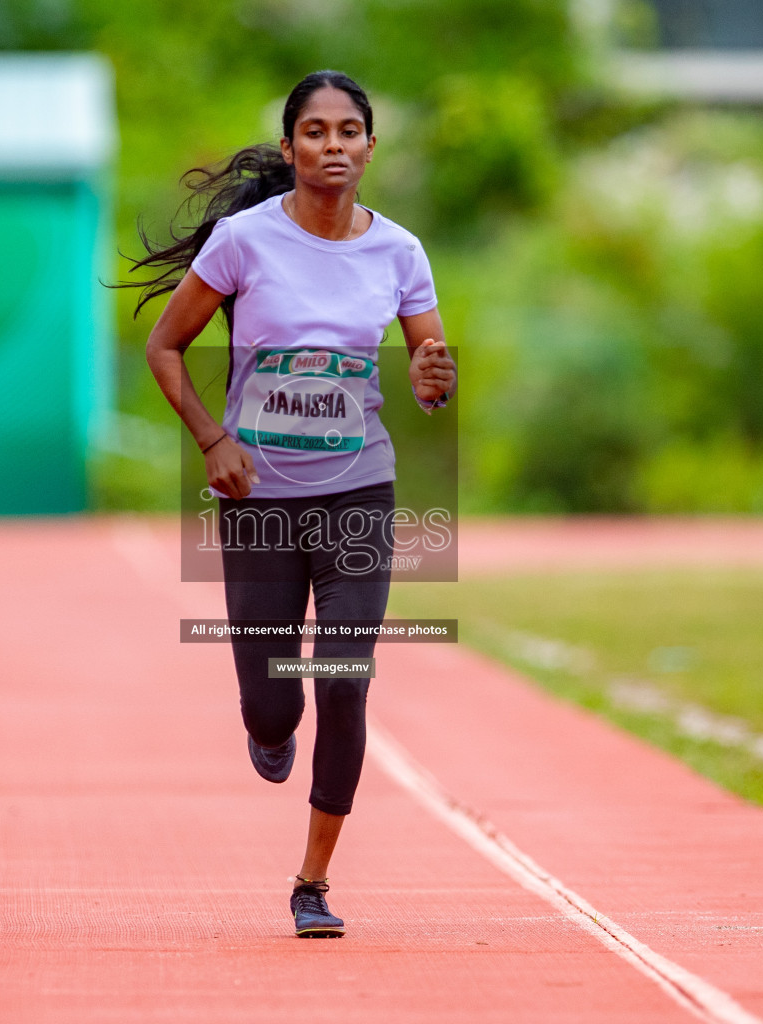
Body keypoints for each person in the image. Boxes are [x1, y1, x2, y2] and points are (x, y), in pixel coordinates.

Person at [134, 70, 457, 937]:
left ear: (370, 146)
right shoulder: (243, 242)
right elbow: (167, 348)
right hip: (262, 499)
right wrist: (213, 439)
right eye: (315, 131)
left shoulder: (401, 252)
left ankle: (312, 881)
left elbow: (429, 370)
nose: (333, 145)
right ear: (290, 148)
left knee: (344, 682)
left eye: (350, 130)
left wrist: (434, 379)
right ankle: (269, 730)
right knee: (276, 702)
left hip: (361, 491)